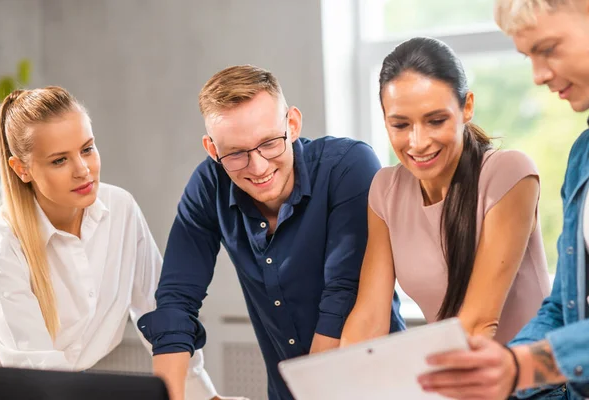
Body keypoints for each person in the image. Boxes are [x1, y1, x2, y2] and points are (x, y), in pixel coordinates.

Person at [136, 65, 406, 400]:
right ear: (212, 149)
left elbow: (343, 296)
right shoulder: (209, 186)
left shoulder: (348, 166)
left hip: (380, 387)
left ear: (292, 124)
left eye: (269, 143)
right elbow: (177, 301)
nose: (259, 167)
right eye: (235, 154)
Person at [0, 87, 240, 400]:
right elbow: (37, 373)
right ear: (21, 169)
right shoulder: (0, 244)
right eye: (59, 161)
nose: (83, 170)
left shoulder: (120, 208)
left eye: (87, 149)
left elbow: (160, 309)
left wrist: (204, 396)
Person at [418, 1, 589, 399]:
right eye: (528, 56)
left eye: (548, 48)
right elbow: (562, 307)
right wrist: (499, 370)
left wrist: (522, 366)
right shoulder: (582, 157)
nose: (538, 75)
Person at [340, 37, 550, 348]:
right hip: (462, 378)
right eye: (400, 125)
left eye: (435, 121)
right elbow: (370, 317)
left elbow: (479, 323)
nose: (418, 142)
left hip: (538, 387)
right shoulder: (386, 190)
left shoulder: (509, 173)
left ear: (467, 107)